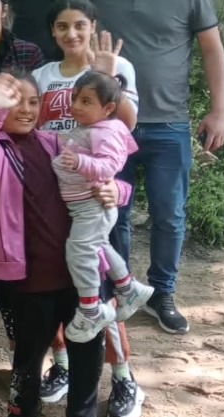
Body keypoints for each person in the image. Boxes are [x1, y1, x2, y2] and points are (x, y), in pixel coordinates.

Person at [0, 72, 126, 417]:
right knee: (28, 360)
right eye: (15, 101)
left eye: (33, 101)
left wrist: (117, 193)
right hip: (27, 278)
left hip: (81, 276)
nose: (26, 110)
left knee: (88, 357)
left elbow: (111, 170)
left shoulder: (60, 143)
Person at [87, 0, 224, 336]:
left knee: (170, 214)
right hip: (115, 124)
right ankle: (122, 286)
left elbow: (212, 51)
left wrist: (218, 110)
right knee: (116, 212)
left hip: (169, 123)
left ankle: (163, 292)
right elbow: (83, 43)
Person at [33, 0, 145, 417]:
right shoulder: (43, 75)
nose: (71, 34)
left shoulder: (118, 66)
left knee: (99, 288)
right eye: (62, 26)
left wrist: (104, 70)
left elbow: (127, 125)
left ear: (93, 25)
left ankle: (122, 375)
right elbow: (39, 128)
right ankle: (61, 366)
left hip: (97, 194)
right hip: (56, 193)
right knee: (60, 284)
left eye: (79, 25)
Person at [53, 71, 154, 342]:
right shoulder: (92, 129)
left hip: (92, 206)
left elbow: (110, 166)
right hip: (84, 206)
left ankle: (91, 307)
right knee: (99, 246)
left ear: (108, 108)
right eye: (75, 98)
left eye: (86, 101)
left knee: (79, 250)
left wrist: (79, 163)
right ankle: (128, 288)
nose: (76, 106)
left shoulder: (105, 131)